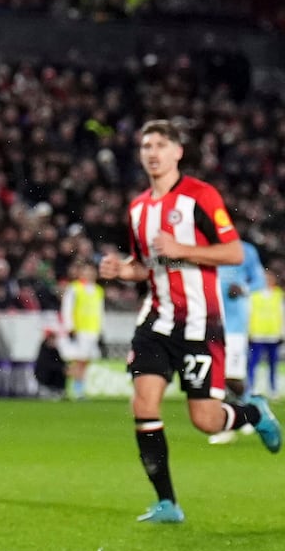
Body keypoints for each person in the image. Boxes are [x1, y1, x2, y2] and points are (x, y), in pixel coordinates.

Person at [97, 119, 279, 525]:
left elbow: (233, 253)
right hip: (156, 322)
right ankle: (167, 503)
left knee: (206, 419)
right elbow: (147, 268)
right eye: (146, 145)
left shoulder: (200, 196)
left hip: (201, 323)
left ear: (178, 151)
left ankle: (255, 413)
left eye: (161, 144)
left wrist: (183, 248)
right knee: (143, 403)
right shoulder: (138, 208)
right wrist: (122, 271)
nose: (152, 152)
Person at [210, 239, 266, 444]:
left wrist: (242, 288)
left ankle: (250, 410)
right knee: (214, 375)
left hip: (234, 325)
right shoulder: (206, 246)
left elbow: (260, 281)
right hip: (209, 322)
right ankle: (230, 422)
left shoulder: (246, 250)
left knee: (232, 377)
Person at [57, 260, 104, 400]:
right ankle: (71, 389)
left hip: (93, 330)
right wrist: (70, 327)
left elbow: (100, 311)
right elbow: (67, 308)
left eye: (91, 271)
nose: (89, 274)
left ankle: (76, 389)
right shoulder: (75, 288)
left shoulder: (98, 290)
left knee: (85, 362)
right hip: (79, 329)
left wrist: (101, 329)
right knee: (78, 361)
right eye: (86, 271)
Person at [250, 268, 283, 398]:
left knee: (273, 364)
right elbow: (249, 312)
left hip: (273, 335)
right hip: (257, 334)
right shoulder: (254, 294)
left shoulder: (278, 294)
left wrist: (282, 333)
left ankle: (273, 389)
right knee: (253, 363)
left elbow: (282, 314)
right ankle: (251, 388)